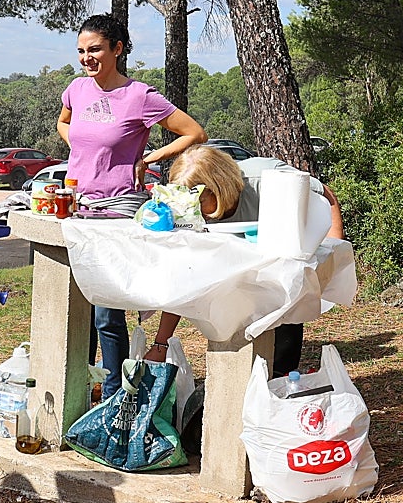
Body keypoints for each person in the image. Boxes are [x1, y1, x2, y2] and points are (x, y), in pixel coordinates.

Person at [55, 13, 207, 397]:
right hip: (76, 207)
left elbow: (194, 132)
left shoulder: (139, 96)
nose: (87, 58)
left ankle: (114, 395)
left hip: (117, 211)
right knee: (77, 309)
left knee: (107, 312)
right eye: (81, 51)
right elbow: (64, 123)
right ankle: (80, 387)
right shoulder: (76, 90)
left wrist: (150, 158)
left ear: (117, 49)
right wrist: (82, 148)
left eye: (95, 50)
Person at [143, 144, 345, 376]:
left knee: (284, 314)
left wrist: (334, 247)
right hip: (236, 271)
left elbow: (325, 194)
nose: (193, 211)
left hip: (280, 263)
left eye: (199, 203)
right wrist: (161, 343)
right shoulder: (188, 211)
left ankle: (280, 379)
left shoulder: (266, 179)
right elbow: (184, 277)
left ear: (218, 189)